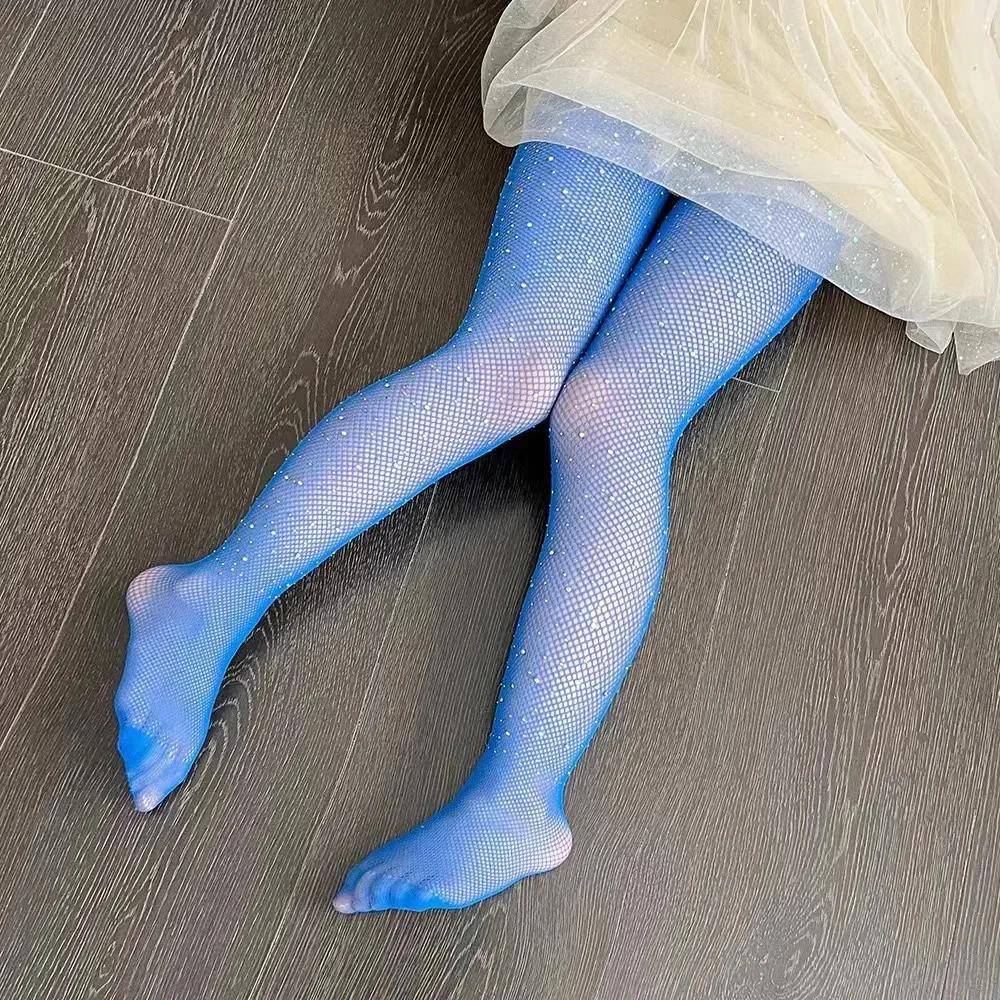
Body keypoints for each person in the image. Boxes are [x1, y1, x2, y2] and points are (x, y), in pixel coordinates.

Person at [114, 0, 1000, 914]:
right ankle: (208, 594)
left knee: (617, 412)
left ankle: (518, 800)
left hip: (876, 79)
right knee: (512, 367)